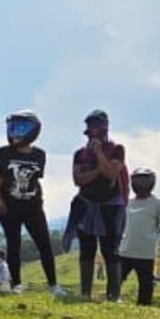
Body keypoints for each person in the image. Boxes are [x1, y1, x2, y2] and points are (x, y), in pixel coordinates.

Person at [0, 110, 62, 294]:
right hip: (10, 206)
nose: (15, 133)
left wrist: (40, 201)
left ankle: (53, 285)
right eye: (12, 127)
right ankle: (16, 284)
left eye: (21, 128)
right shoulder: (4, 153)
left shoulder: (39, 154)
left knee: (44, 244)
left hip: (33, 207)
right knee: (13, 244)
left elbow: (36, 180)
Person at [66, 109, 127, 301]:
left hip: (110, 207)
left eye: (96, 126)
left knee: (110, 250)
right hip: (86, 205)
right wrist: (98, 171)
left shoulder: (117, 149)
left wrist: (99, 154)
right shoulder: (79, 154)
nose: (93, 131)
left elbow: (111, 173)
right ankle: (85, 293)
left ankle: (113, 295)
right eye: (90, 127)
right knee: (87, 250)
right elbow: (78, 179)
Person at [119, 166, 160, 306]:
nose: (141, 185)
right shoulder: (128, 203)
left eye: (144, 181)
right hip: (126, 249)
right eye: (138, 181)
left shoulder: (158, 204)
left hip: (146, 252)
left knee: (145, 284)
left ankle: (144, 306)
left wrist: (151, 233)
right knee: (117, 280)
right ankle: (112, 299)